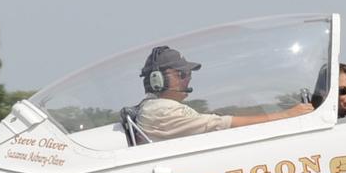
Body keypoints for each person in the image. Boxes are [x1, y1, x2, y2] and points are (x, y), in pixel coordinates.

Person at [128, 46, 315, 142]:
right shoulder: (163, 111)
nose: (188, 79)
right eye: (182, 74)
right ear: (156, 80)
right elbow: (221, 125)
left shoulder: (154, 107)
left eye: (189, 74)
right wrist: (287, 115)